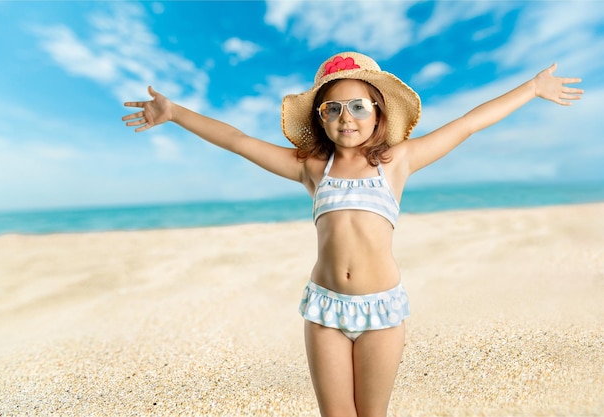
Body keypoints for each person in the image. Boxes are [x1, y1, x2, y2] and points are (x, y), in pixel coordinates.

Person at [122, 52, 582, 417]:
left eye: (359, 106)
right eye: (333, 108)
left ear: (378, 113)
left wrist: (532, 88)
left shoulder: (397, 162)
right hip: (325, 308)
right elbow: (237, 140)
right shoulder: (311, 167)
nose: (347, 117)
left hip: (382, 309)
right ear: (321, 118)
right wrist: (176, 112)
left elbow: (468, 123)